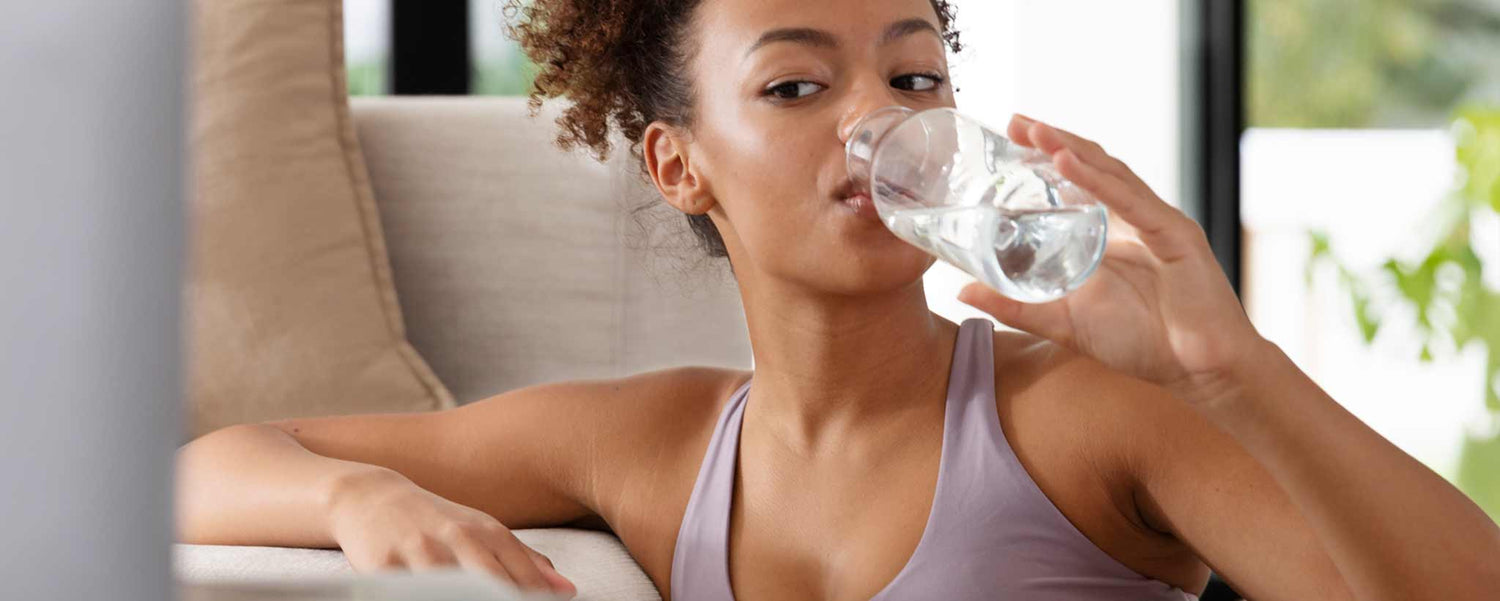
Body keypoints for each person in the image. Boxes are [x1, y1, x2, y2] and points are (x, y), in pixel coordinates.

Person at [174, 0, 1500, 599]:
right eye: (796, 87)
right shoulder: (654, 447)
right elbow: (203, 468)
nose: (880, 124)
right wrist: (360, 498)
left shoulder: (1088, 412)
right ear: (679, 164)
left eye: (914, 79)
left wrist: (1233, 374)